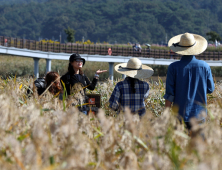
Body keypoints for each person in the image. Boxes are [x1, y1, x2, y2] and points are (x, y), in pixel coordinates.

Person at [164, 32, 215, 130]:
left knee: (179, 144)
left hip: (179, 115)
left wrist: (166, 115)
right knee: (197, 144)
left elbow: (170, 94)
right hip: (199, 115)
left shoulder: (173, 67)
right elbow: (210, 89)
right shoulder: (205, 66)